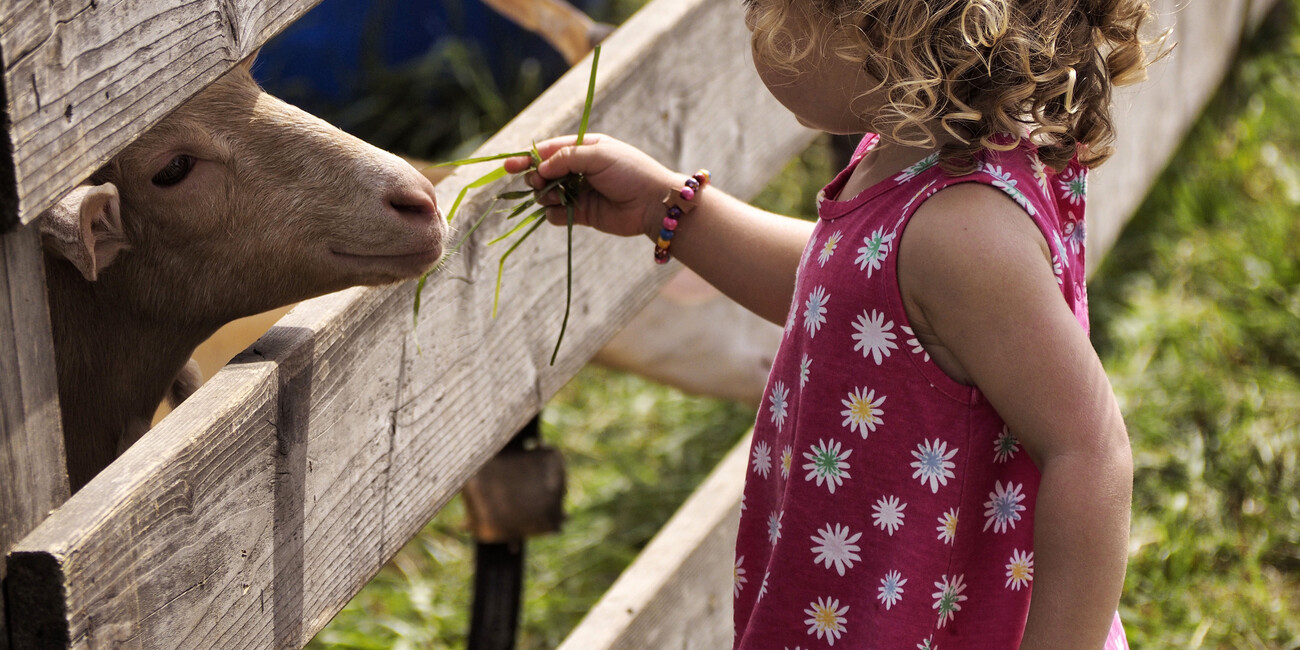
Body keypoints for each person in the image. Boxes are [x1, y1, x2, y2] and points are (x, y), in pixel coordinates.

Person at [506, 1, 1161, 646]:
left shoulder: (967, 233)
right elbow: (851, 289)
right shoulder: (918, 161)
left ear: (882, 23)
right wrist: (664, 206)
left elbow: (1091, 450)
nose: (750, 19)